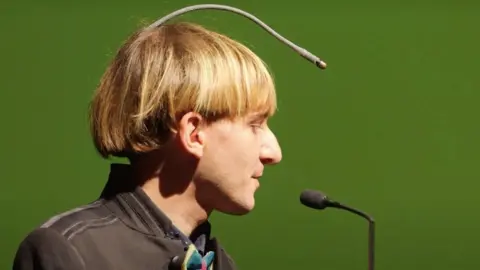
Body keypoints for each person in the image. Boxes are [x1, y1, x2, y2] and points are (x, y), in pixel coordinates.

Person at [12, 20, 282, 270]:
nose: (274, 152)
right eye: (255, 124)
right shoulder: (71, 251)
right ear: (194, 132)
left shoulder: (221, 263)